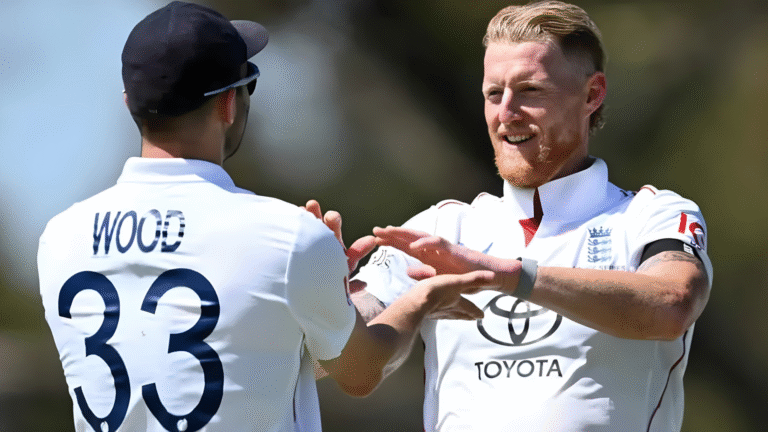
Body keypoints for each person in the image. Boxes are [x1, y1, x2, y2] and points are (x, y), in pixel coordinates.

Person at [37, 3, 504, 431]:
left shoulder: (58, 239)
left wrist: (318, 290)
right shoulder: (287, 236)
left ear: (129, 104)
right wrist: (419, 297)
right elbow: (360, 371)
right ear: (228, 102)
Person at [315, 1, 713, 431]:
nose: (505, 113)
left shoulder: (650, 214)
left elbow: (673, 304)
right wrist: (318, 293)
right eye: (493, 93)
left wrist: (508, 275)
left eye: (531, 91)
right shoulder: (438, 228)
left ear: (592, 94)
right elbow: (342, 366)